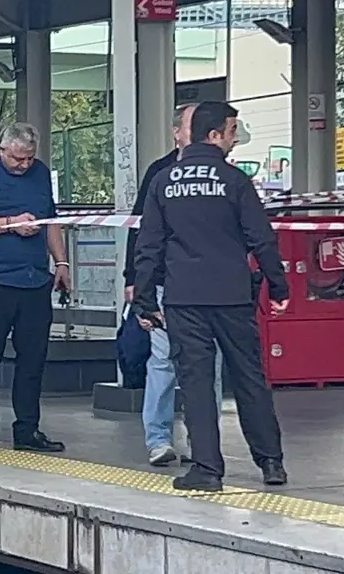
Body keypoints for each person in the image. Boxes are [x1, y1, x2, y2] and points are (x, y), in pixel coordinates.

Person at [132, 101, 290, 492]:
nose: (235, 139)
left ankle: (206, 469)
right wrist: (278, 285)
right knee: (249, 377)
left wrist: (144, 299)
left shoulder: (163, 181)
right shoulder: (234, 181)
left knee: (196, 382)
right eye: (232, 131)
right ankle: (271, 462)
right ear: (214, 134)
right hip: (231, 294)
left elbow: (148, 245)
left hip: (183, 298)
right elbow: (261, 238)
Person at [0, 123, 70, 456]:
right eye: (18, 158)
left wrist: (61, 262)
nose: (24, 165)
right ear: (2, 149)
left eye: (29, 158)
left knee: (33, 360)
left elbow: (50, 222)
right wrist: (10, 224)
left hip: (35, 281)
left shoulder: (40, 174)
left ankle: (27, 429)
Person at [124, 104, 223, 467]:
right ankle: (158, 439)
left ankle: (203, 441)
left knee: (209, 365)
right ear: (176, 132)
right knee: (163, 362)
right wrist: (133, 279)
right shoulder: (160, 172)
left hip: (211, 287)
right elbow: (140, 230)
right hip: (166, 283)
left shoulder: (222, 173)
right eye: (191, 125)